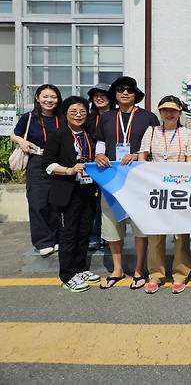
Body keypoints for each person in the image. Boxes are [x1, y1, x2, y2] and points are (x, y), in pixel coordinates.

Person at [94, 76, 159, 290]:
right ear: (115, 94)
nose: (124, 93)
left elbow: (154, 147)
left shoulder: (148, 117)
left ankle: (140, 269)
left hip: (138, 180)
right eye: (120, 90)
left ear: (135, 94)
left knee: (140, 226)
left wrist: (137, 154)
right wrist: (98, 156)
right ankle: (117, 269)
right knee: (113, 225)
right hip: (111, 179)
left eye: (129, 90)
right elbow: (101, 143)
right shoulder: (106, 117)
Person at [138, 96, 191, 294]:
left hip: (179, 189)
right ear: (160, 112)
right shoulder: (152, 131)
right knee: (155, 234)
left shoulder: (187, 133)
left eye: (173, 110)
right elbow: (142, 157)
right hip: (155, 188)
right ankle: (155, 274)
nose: (169, 114)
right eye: (164, 110)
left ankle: (180, 274)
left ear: (180, 112)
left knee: (181, 235)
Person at [42, 95, 101, 292]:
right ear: (65, 114)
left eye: (82, 111)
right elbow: (48, 165)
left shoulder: (90, 134)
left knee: (84, 231)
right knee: (68, 233)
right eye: (73, 111)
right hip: (67, 190)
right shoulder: (57, 135)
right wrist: (69, 170)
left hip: (88, 189)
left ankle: (81, 268)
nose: (78, 115)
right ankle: (67, 274)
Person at [10, 84, 62, 256]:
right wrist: (21, 141)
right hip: (36, 161)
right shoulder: (29, 117)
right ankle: (43, 241)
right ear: (38, 98)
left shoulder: (62, 117)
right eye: (45, 96)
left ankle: (56, 238)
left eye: (53, 97)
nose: (49, 100)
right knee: (37, 202)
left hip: (58, 162)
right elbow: (14, 134)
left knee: (55, 202)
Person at [86, 83, 112, 251]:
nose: (99, 97)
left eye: (103, 94)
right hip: (90, 166)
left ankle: (110, 238)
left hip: (111, 166)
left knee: (111, 203)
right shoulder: (88, 118)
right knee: (92, 203)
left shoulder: (116, 116)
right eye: (96, 95)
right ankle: (94, 236)